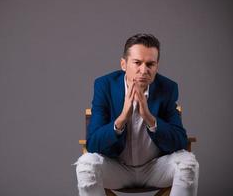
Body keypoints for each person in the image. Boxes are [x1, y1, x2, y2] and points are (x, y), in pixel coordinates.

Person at [75, 34, 199, 196]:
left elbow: (179, 141)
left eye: (150, 64)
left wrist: (149, 117)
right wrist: (122, 118)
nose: (144, 70)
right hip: (117, 168)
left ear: (156, 66)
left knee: (188, 163)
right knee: (86, 165)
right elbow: (93, 144)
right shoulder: (104, 85)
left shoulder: (167, 88)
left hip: (155, 168)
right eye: (137, 63)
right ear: (123, 64)